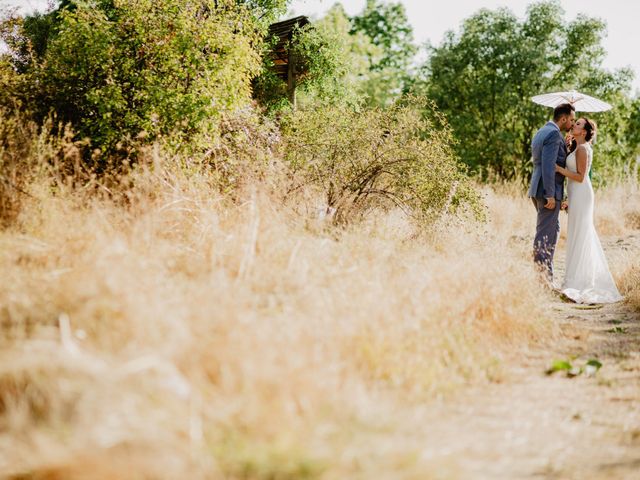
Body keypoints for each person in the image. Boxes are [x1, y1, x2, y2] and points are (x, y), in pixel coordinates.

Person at [554, 117, 622, 303]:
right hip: (576, 194)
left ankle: (580, 282)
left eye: (577, 124)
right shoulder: (577, 147)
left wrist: (559, 169)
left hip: (582, 193)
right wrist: (568, 147)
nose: (573, 125)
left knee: (581, 234)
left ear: (583, 131)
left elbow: (581, 176)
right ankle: (574, 278)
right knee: (577, 234)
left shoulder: (583, 149)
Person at [528, 103, 575, 284]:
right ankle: (543, 281)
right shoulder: (554, 134)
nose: (572, 123)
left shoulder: (542, 131)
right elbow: (548, 166)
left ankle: (544, 277)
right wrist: (549, 194)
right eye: (571, 119)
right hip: (547, 191)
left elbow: (548, 158)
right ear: (563, 119)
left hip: (536, 188)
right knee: (545, 235)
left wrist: (565, 146)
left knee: (551, 230)